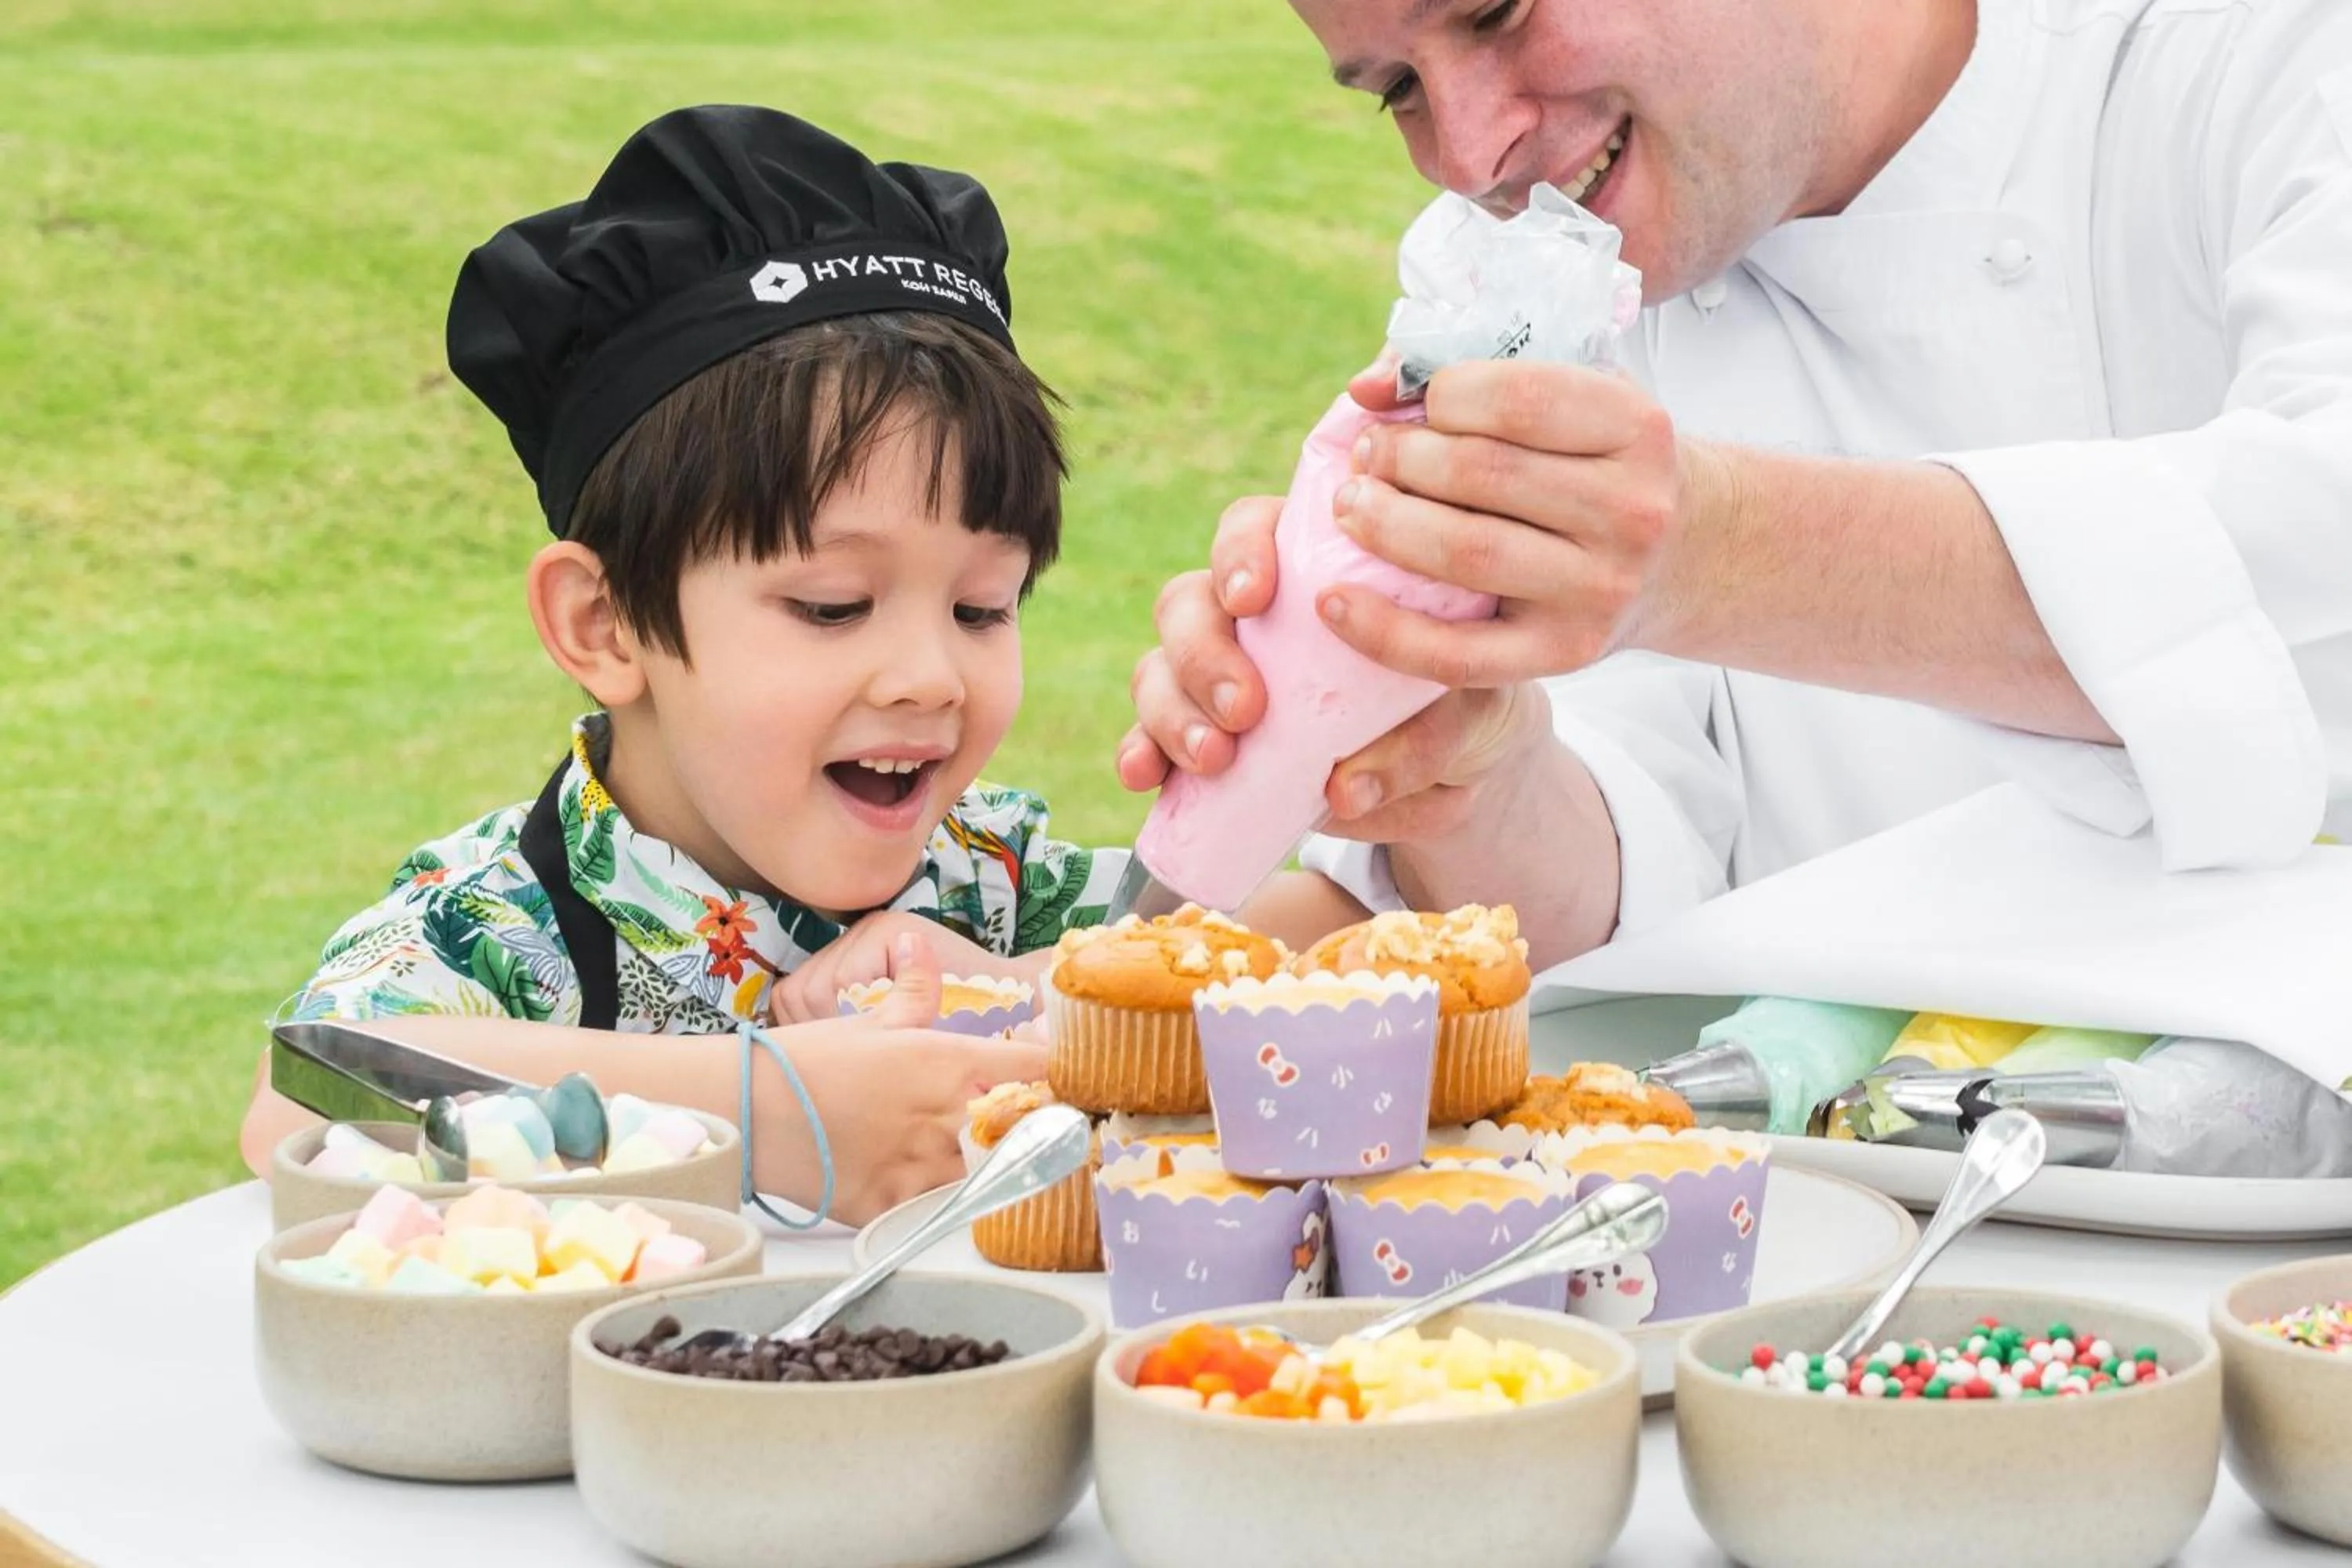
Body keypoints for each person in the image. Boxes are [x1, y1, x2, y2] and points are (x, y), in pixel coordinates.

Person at [1123, 0, 2352, 969]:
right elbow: (1628, 872)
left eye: (1498, 12)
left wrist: (1715, 555)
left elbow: (2316, 555)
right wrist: (1467, 778)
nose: (1470, 151)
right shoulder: (1511, 272)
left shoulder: (2259, 53)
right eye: (1398, 88)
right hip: (1837, 1193)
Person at [238, 106, 1127, 1224]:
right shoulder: (505, 934)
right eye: (832, 605)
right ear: (605, 624)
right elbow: (304, 1092)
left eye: (982, 607)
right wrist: (775, 1113)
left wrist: (1027, 984)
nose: (931, 676)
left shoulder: (985, 874)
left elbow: (1303, 939)